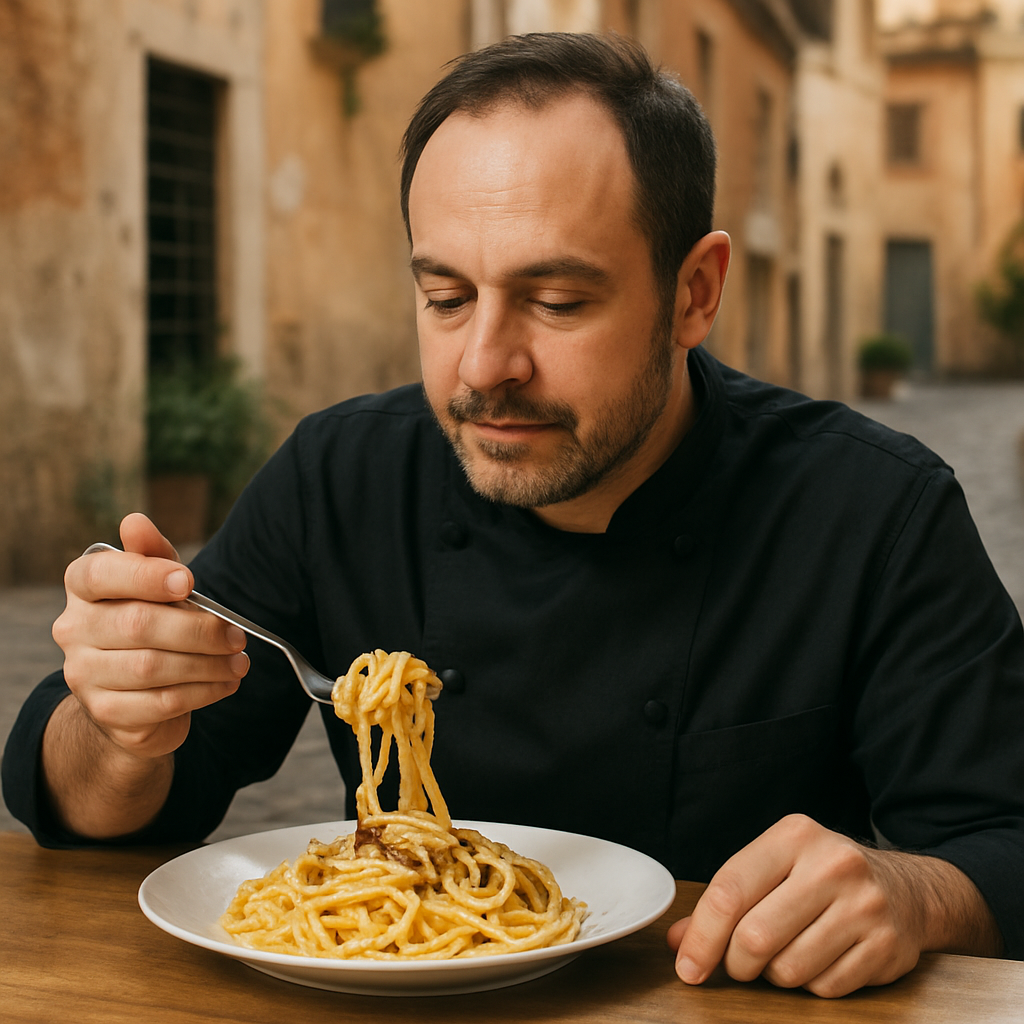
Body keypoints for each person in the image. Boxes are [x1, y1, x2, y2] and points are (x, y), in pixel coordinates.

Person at [3, 32, 1023, 998]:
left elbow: (1004, 843)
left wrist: (910, 894)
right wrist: (115, 727)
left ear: (694, 293)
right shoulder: (341, 474)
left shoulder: (873, 510)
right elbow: (107, 807)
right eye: (446, 298)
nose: (485, 366)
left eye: (558, 301)